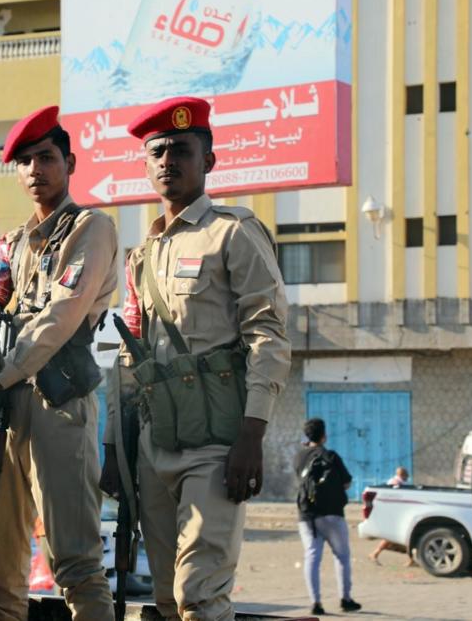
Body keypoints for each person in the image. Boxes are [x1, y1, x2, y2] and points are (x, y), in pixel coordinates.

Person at [111, 96, 291, 621]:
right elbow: (130, 353)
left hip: (217, 442)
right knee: (166, 599)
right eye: (158, 151)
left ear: (208, 161)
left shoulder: (232, 232)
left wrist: (252, 434)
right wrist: (114, 448)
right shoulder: (141, 255)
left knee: (201, 594)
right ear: (146, 165)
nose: (169, 160)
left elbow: (270, 334)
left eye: (182, 150)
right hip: (155, 441)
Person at [0, 104, 118, 620]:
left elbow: (60, 317)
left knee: (75, 563)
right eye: (23, 161)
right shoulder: (13, 242)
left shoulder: (91, 228)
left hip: (58, 405)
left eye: (45, 157)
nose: (34, 170)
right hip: (4, 408)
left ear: (69, 163)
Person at [294, 418, 361, 616]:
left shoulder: (299, 457)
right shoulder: (331, 456)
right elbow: (347, 483)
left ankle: (316, 603)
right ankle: (345, 599)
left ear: (307, 436)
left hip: (307, 515)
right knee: (342, 556)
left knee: (312, 557)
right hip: (332, 514)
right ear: (324, 435)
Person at [369, 468, 414, 565]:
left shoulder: (395, 482)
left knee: (403, 538)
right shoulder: (396, 483)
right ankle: (375, 554)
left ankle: (411, 560)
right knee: (399, 538)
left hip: (397, 514)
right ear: (403, 475)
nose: (408, 477)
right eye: (407, 475)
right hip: (396, 515)